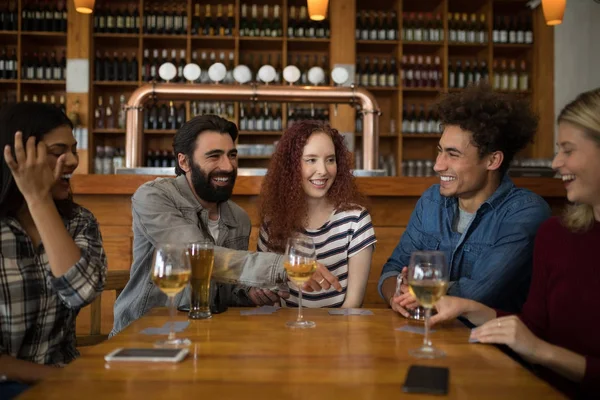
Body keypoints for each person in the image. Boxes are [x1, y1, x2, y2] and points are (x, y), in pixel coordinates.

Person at [429, 88, 600, 399]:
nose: (555, 163)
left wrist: (542, 352)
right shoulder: (556, 235)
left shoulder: (529, 213)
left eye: (568, 150)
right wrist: (469, 308)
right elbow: (532, 326)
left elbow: (534, 344)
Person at [112, 115, 340, 335]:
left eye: (231, 155)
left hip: (204, 337)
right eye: (214, 156)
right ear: (184, 161)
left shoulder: (237, 218)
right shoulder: (154, 197)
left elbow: (223, 290)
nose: (228, 166)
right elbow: (196, 256)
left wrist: (250, 295)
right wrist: (282, 266)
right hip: (144, 335)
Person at [379, 83, 551, 316]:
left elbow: (479, 292)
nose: (438, 165)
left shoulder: (525, 212)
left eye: (453, 154)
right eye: (440, 151)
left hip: (490, 347)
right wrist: (396, 294)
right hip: (428, 336)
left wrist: (420, 289)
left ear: (492, 161)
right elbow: (391, 271)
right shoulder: (432, 201)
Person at [0, 103, 107, 399]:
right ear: (15, 155)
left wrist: (39, 201)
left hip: (64, 384)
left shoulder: (79, 222)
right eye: (58, 151)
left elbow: (81, 292)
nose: (72, 160)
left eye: (73, 149)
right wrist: (64, 378)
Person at [257, 121, 376, 308]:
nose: (323, 170)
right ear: (291, 167)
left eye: (330, 159)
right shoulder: (272, 221)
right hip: (286, 332)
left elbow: (352, 304)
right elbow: (270, 298)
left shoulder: (355, 220)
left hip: (337, 332)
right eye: (311, 160)